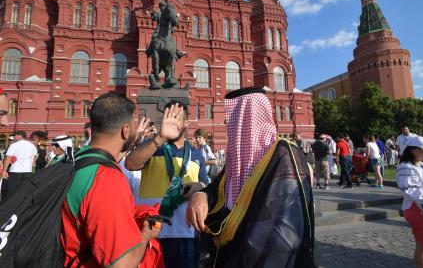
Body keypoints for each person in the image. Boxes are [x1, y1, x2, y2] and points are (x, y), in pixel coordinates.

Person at [186, 87, 315, 268]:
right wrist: (203, 194)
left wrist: (227, 236)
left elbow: (283, 232)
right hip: (229, 255)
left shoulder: (283, 156)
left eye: (231, 119)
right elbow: (221, 187)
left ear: (246, 120)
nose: (226, 123)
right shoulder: (238, 159)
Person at [61, 92, 163, 268]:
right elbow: (122, 264)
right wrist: (146, 234)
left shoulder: (69, 160)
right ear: (125, 130)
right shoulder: (106, 179)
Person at [125, 101, 209, 268]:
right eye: (166, 118)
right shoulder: (153, 147)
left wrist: (199, 187)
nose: (170, 122)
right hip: (153, 233)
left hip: (186, 233)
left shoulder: (196, 154)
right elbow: (131, 164)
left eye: (175, 118)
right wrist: (160, 137)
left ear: (186, 124)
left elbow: (205, 185)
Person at [396, 136, 423, 268]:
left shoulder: (422, 164)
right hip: (416, 209)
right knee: (422, 245)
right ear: (415, 150)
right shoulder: (405, 167)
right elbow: (410, 190)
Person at [1, 130, 37, 200]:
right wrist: (31, 164)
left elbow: (8, 158)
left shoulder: (14, 145)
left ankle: (11, 207)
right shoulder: (31, 145)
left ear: (19, 135)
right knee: (24, 191)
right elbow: (35, 156)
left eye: (14, 135)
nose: (13, 137)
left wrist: (4, 170)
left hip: (15, 171)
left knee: (12, 191)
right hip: (27, 171)